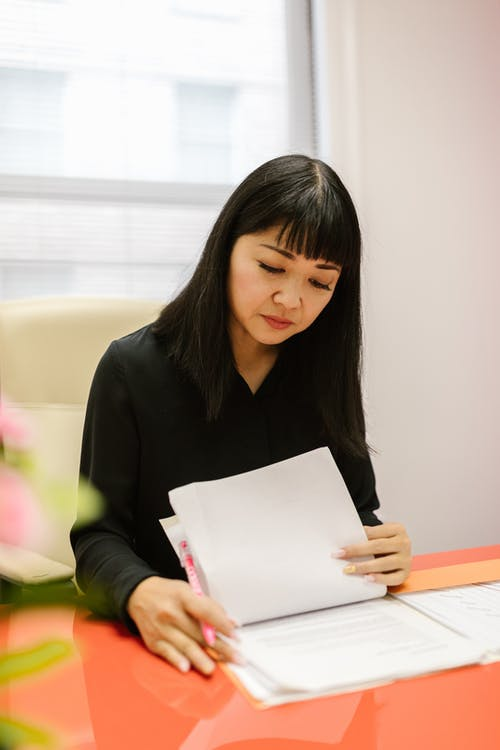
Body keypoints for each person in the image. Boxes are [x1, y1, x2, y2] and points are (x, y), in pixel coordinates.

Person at [71, 154, 411, 677]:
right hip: (178, 648)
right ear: (225, 249)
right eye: (272, 267)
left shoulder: (323, 373)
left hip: (307, 646)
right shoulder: (132, 368)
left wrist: (383, 549)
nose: (290, 299)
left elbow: (356, 514)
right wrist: (138, 590)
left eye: (320, 282)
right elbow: (97, 538)